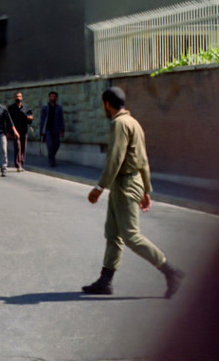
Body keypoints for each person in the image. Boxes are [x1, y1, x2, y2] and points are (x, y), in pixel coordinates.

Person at [82, 87, 184, 298]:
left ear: (107, 104)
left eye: (104, 105)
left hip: (125, 183)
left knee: (130, 235)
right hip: (129, 182)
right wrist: (146, 189)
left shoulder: (119, 123)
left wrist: (100, 186)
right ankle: (105, 281)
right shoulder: (134, 122)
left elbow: (116, 158)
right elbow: (144, 160)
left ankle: (170, 271)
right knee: (113, 233)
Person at [7, 92, 33, 172]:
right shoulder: (11, 108)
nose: (18, 98)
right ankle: (18, 164)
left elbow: (30, 117)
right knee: (17, 146)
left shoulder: (26, 107)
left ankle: (22, 162)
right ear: (14, 98)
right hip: (15, 131)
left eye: (19, 96)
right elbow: (8, 120)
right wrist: (8, 131)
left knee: (23, 147)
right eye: (16, 96)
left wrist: (30, 118)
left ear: (22, 98)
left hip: (24, 130)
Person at [40, 91, 65, 167]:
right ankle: (52, 161)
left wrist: (62, 130)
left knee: (57, 144)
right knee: (50, 145)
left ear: (56, 98)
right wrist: (41, 131)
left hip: (56, 129)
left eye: (54, 97)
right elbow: (42, 120)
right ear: (49, 97)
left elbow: (61, 119)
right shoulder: (45, 108)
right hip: (48, 130)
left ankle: (51, 155)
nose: (53, 98)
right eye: (51, 96)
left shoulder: (58, 108)